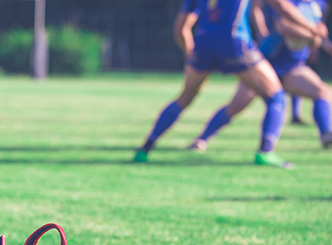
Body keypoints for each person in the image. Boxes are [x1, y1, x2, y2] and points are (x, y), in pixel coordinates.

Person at [134, 0, 326, 168]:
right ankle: (266, 152)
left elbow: (181, 29)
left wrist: (190, 54)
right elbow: (283, 7)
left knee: (184, 98)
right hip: (234, 43)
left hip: (203, 43)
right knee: (275, 96)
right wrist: (312, 28)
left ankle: (145, 149)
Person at [189, 0, 332, 152]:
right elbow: (284, 26)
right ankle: (201, 139)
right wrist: (313, 35)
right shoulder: (291, 2)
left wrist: (321, 43)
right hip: (267, 62)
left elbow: (317, 33)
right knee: (236, 106)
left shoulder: (319, 5)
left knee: (322, 92)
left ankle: (326, 135)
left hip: (292, 67)